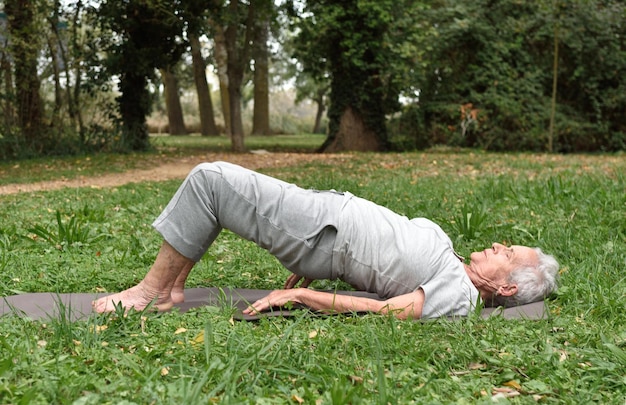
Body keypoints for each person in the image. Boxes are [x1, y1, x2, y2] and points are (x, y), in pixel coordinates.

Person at [93, 162, 559, 320]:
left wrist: (301, 294)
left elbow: (387, 310)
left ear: (508, 288)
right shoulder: (455, 263)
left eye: (508, 253)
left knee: (210, 181)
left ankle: (149, 290)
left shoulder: (460, 296)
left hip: (322, 233)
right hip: (327, 221)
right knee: (217, 189)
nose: (499, 245)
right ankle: (171, 286)